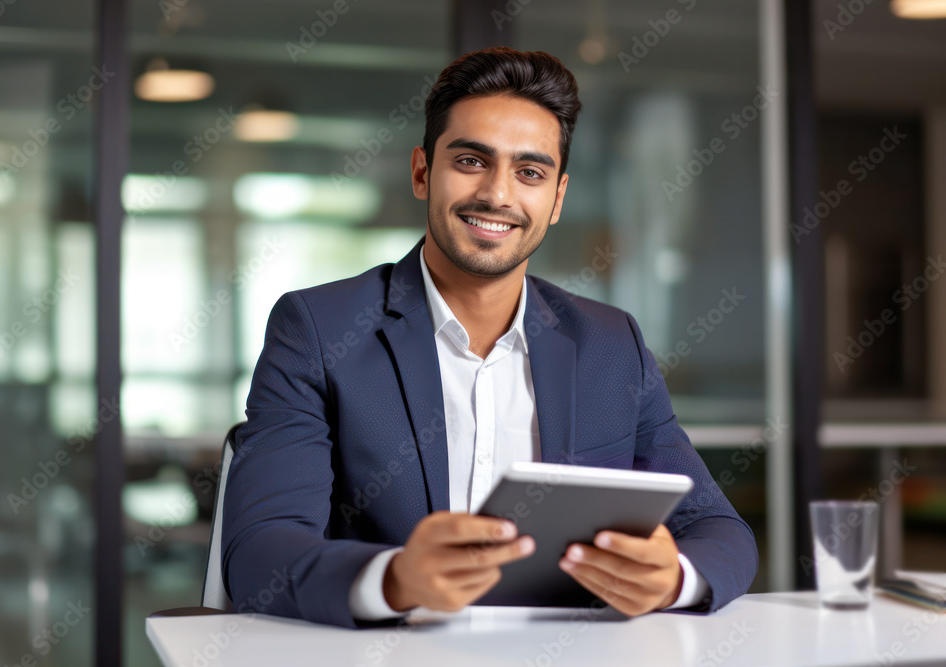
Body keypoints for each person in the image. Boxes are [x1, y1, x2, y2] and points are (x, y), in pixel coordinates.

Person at [222, 46, 757, 629]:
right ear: (423, 172)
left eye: (530, 172)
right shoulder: (319, 329)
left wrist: (673, 577)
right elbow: (259, 550)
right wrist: (397, 579)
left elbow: (719, 530)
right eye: (472, 160)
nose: (498, 195)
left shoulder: (611, 344)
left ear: (556, 199)